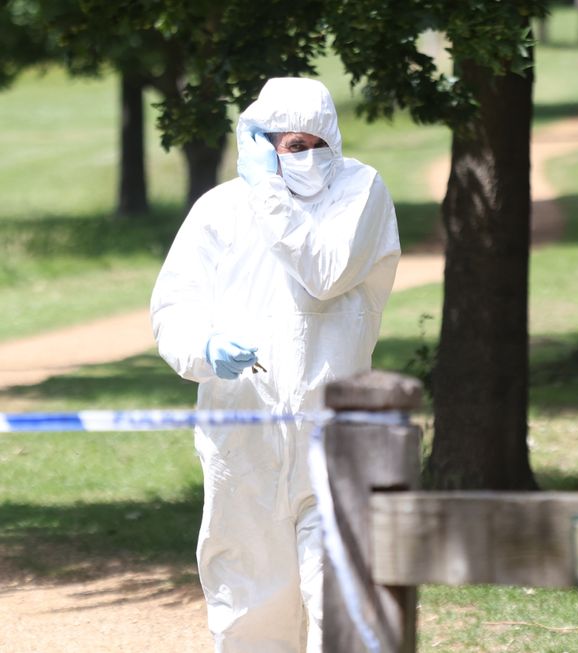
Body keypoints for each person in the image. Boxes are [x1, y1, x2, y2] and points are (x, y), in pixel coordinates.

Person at [150, 77, 401, 653]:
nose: (304, 156)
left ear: (334, 140)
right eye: (290, 145)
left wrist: (267, 189)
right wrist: (204, 347)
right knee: (247, 601)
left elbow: (324, 274)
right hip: (244, 436)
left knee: (338, 596)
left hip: (334, 436)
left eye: (315, 143)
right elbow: (174, 307)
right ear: (259, 143)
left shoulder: (360, 192)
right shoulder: (219, 209)